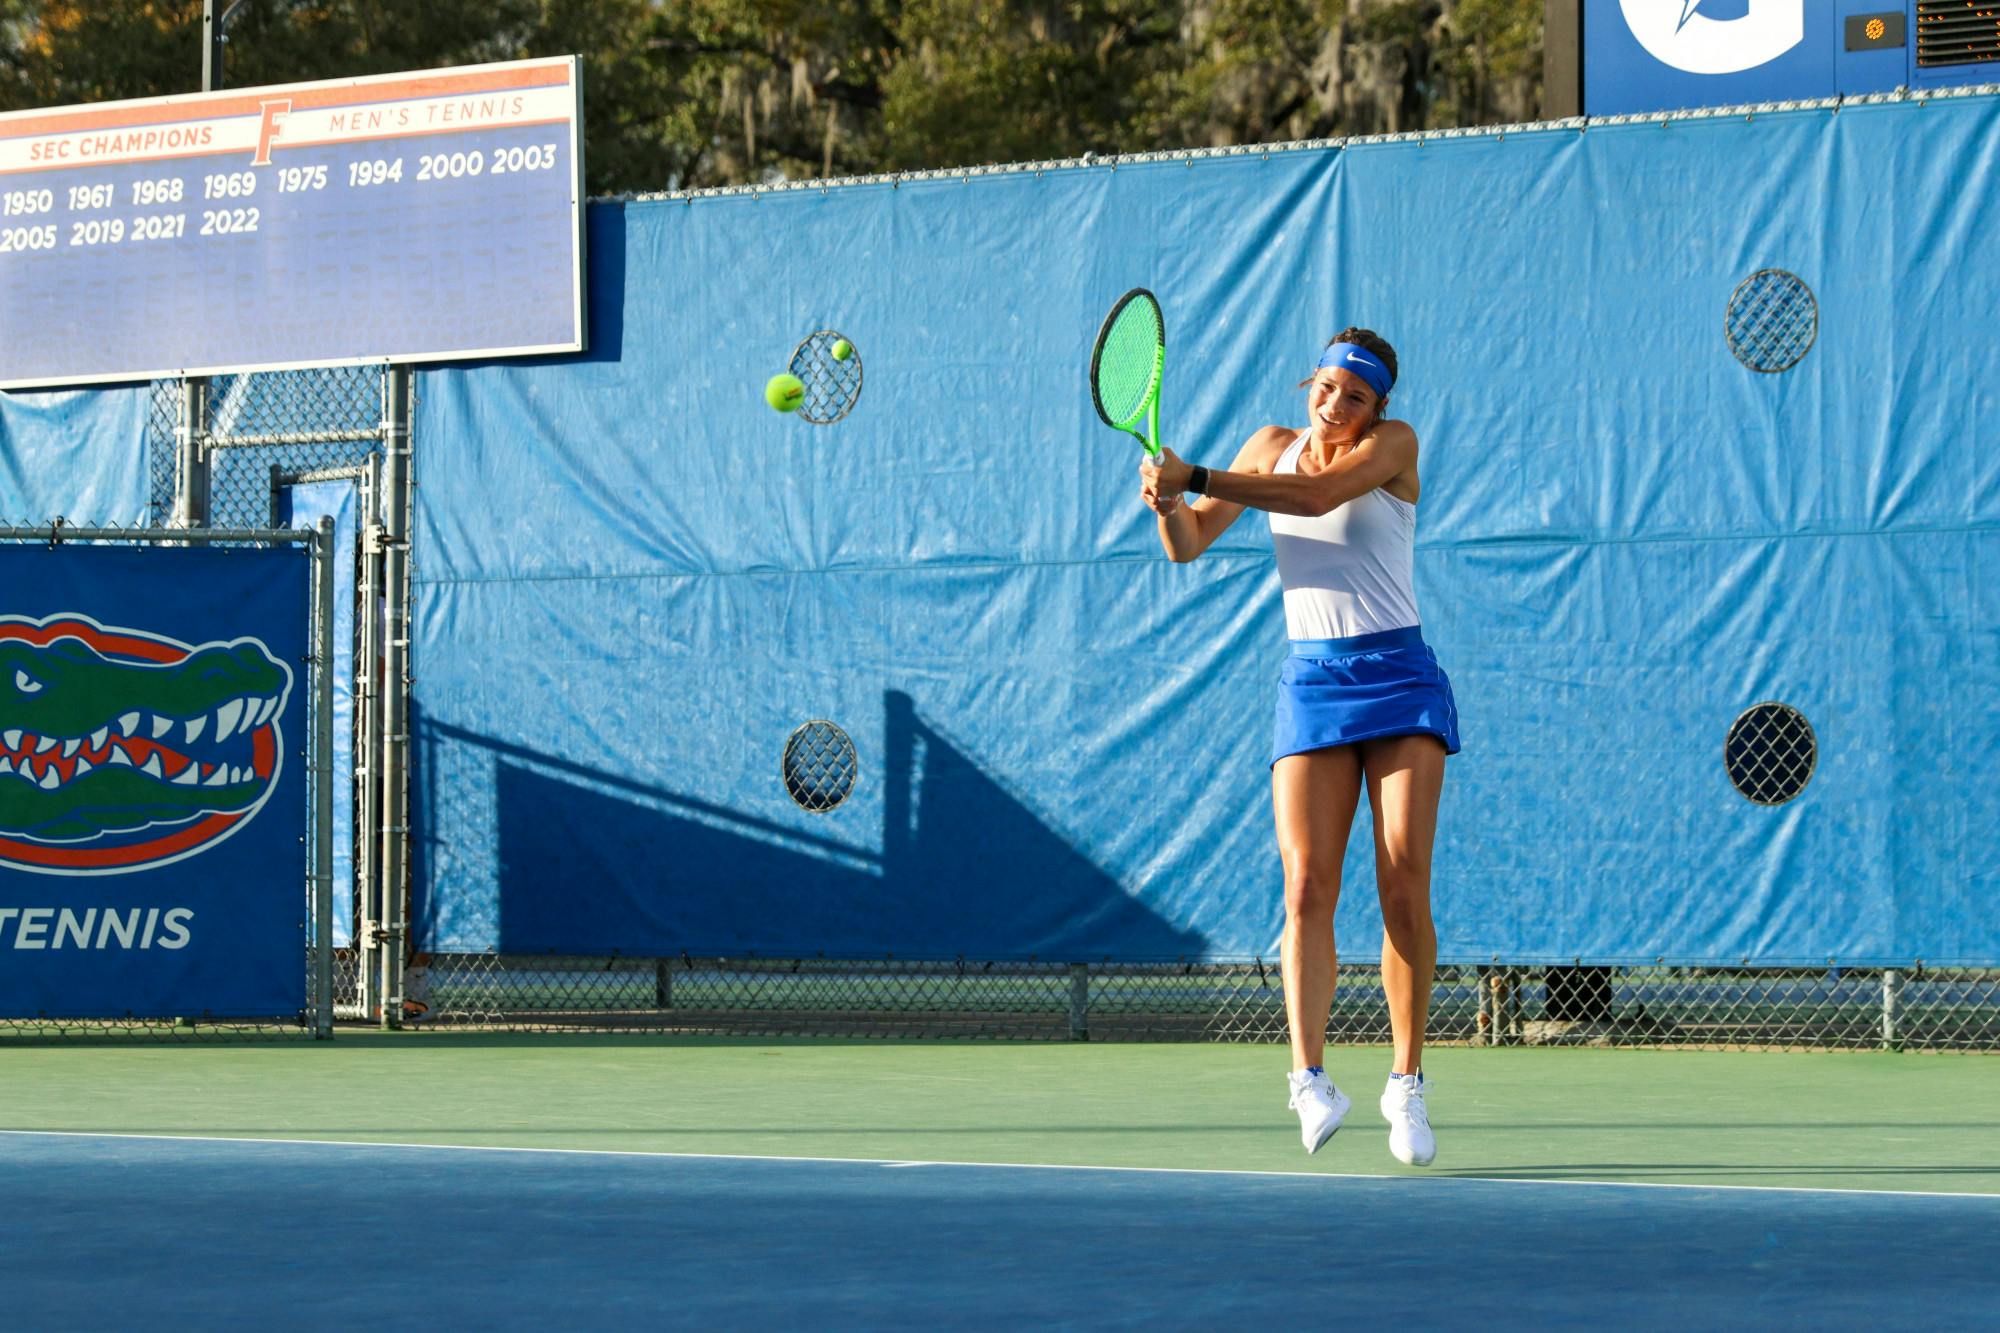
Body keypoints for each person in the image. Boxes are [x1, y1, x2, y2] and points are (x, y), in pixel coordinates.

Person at [1139, 329, 1458, 1165]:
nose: (1336, 405)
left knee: (1402, 879)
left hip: (1399, 675)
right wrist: (1171, 503)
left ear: (1377, 408)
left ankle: (1407, 1081)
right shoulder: (1267, 449)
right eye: (1326, 387)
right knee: (1307, 883)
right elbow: (1190, 544)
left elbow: (1315, 504)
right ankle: (1308, 1078)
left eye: (1355, 396)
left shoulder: (1395, 446)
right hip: (1314, 681)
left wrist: (1196, 475)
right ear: (1307, 385)